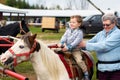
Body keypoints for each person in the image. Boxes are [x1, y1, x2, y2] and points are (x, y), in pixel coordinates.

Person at [79, 13, 120, 80]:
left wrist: (85, 44)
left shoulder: (118, 34)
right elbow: (90, 42)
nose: (105, 27)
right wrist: (76, 45)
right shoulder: (100, 34)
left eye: (107, 25)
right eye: (103, 25)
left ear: (114, 23)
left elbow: (105, 46)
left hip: (116, 70)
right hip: (102, 70)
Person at [54, 15, 89, 80]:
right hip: (66, 47)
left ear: (79, 24)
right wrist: (61, 43)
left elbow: (76, 42)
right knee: (54, 52)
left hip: (75, 49)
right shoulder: (68, 31)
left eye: (73, 22)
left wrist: (68, 47)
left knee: (79, 60)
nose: (71, 24)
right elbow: (64, 37)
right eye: (70, 22)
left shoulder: (80, 33)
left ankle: (86, 73)